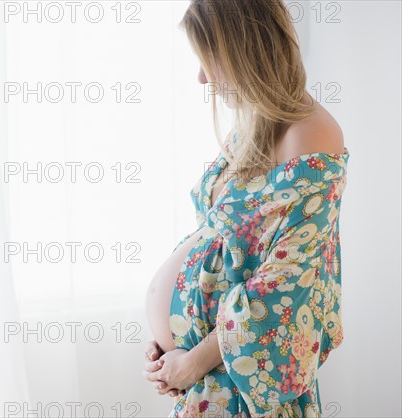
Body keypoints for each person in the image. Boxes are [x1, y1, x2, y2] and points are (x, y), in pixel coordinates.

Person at [142, 1, 350, 416]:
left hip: (238, 383)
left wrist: (193, 360)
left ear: (244, 50)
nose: (201, 78)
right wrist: (171, 346)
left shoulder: (311, 136)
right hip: (206, 373)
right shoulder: (253, 127)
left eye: (209, 61)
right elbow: (216, 247)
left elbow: (288, 287)